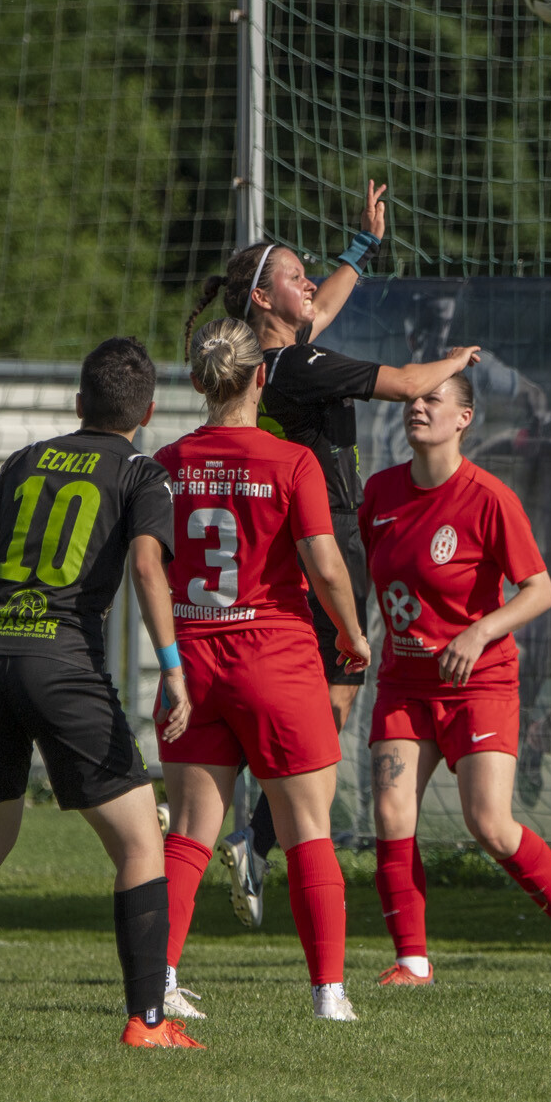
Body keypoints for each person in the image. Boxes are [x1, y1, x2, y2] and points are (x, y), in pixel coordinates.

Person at [0, 338, 200, 1048]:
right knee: (142, 844)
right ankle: (149, 1021)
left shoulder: (26, 460)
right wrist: (172, 667)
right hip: (62, 663)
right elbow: (149, 569)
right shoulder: (142, 473)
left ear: (79, 403)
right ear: (148, 412)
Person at [177, 182, 478, 927]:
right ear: (262, 298)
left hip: (306, 527)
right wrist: (456, 362)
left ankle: (249, 835)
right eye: (293, 274)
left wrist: (361, 247)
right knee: (319, 699)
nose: (308, 281)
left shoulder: (278, 359)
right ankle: (256, 832)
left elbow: (324, 305)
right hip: (325, 531)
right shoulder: (300, 366)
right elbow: (406, 383)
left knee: (330, 699)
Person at [153, 318, 374, 1022]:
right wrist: (352, 635)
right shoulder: (291, 461)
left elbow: (151, 566)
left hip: (193, 659)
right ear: (260, 378)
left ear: (197, 381)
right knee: (307, 827)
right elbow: (326, 565)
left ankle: (159, 982)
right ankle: (328, 994)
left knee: (190, 830)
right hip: (274, 657)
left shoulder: (167, 461)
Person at [358, 373, 551, 987]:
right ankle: (412, 962)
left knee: (489, 824)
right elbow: (361, 576)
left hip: (480, 684)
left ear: (464, 418)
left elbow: (540, 590)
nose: (417, 408)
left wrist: (478, 633)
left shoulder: (489, 497)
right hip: (405, 684)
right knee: (391, 815)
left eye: (432, 399)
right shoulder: (381, 492)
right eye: (412, 399)